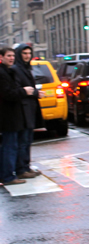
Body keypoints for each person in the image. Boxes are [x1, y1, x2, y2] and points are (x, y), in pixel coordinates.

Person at [0, 47, 35, 186]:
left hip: (12, 116)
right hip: (8, 116)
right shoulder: (2, 73)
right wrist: (23, 91)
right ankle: (8, 176)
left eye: (13, 56)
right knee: (10, 146)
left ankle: (8, 174)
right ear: (1, 57)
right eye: (8, 56)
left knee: (11, 146)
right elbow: (8, 94)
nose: (11, 58)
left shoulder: (8, 71)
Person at [13, 44, 44, 179]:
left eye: (29, 53)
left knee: (27, 140)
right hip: (23, 111)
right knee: (23, 141)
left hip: (29, 109)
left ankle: (25, 167)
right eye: (24, 53)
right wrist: (35, 93)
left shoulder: (26, 68)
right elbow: (19, 89)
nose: (27, 56)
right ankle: (21, 169)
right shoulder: (16, 69)